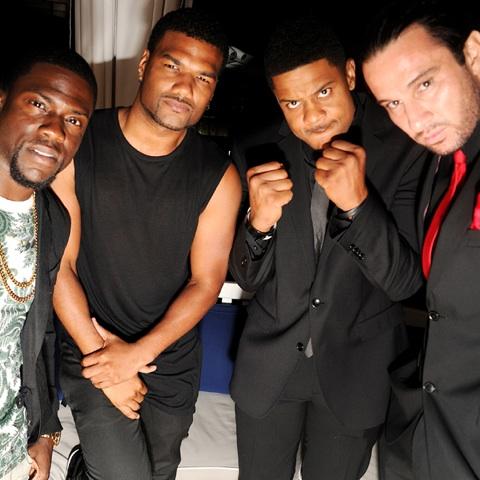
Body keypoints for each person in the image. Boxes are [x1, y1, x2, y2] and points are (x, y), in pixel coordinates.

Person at [228, 13, 430, 480]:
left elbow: (405, 283)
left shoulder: (407, 145)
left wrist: (359, 207)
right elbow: (247, 276)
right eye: (292, 102)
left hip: (358, 370)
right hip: (271, 368)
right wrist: (258, 224)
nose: (311, 116)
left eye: (323, 92)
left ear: (350, 76)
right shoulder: (255, 147)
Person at [51, 7, 241, 480]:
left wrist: (136, 357)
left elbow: (206, 282)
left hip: (170, 358)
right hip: (91, 339)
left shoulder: (218, 175)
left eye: (203, 77)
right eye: (173, 66)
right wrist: (107, 364)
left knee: (159, 472)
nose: (185, 88)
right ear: (144, 64)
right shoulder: (81, 142)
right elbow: (60, 265)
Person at [361, 1, 480, 479]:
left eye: (424, 85)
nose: (414, 120)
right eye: (392, 104)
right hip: (419, 430)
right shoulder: (437, 165)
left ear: (474, 54)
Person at [0, 50, 96, 480]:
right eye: (39, 104)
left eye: (74, 120)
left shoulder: (53, 220)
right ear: (2, 100)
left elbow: (37, 336)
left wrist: (44, 431)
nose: (55, 130)